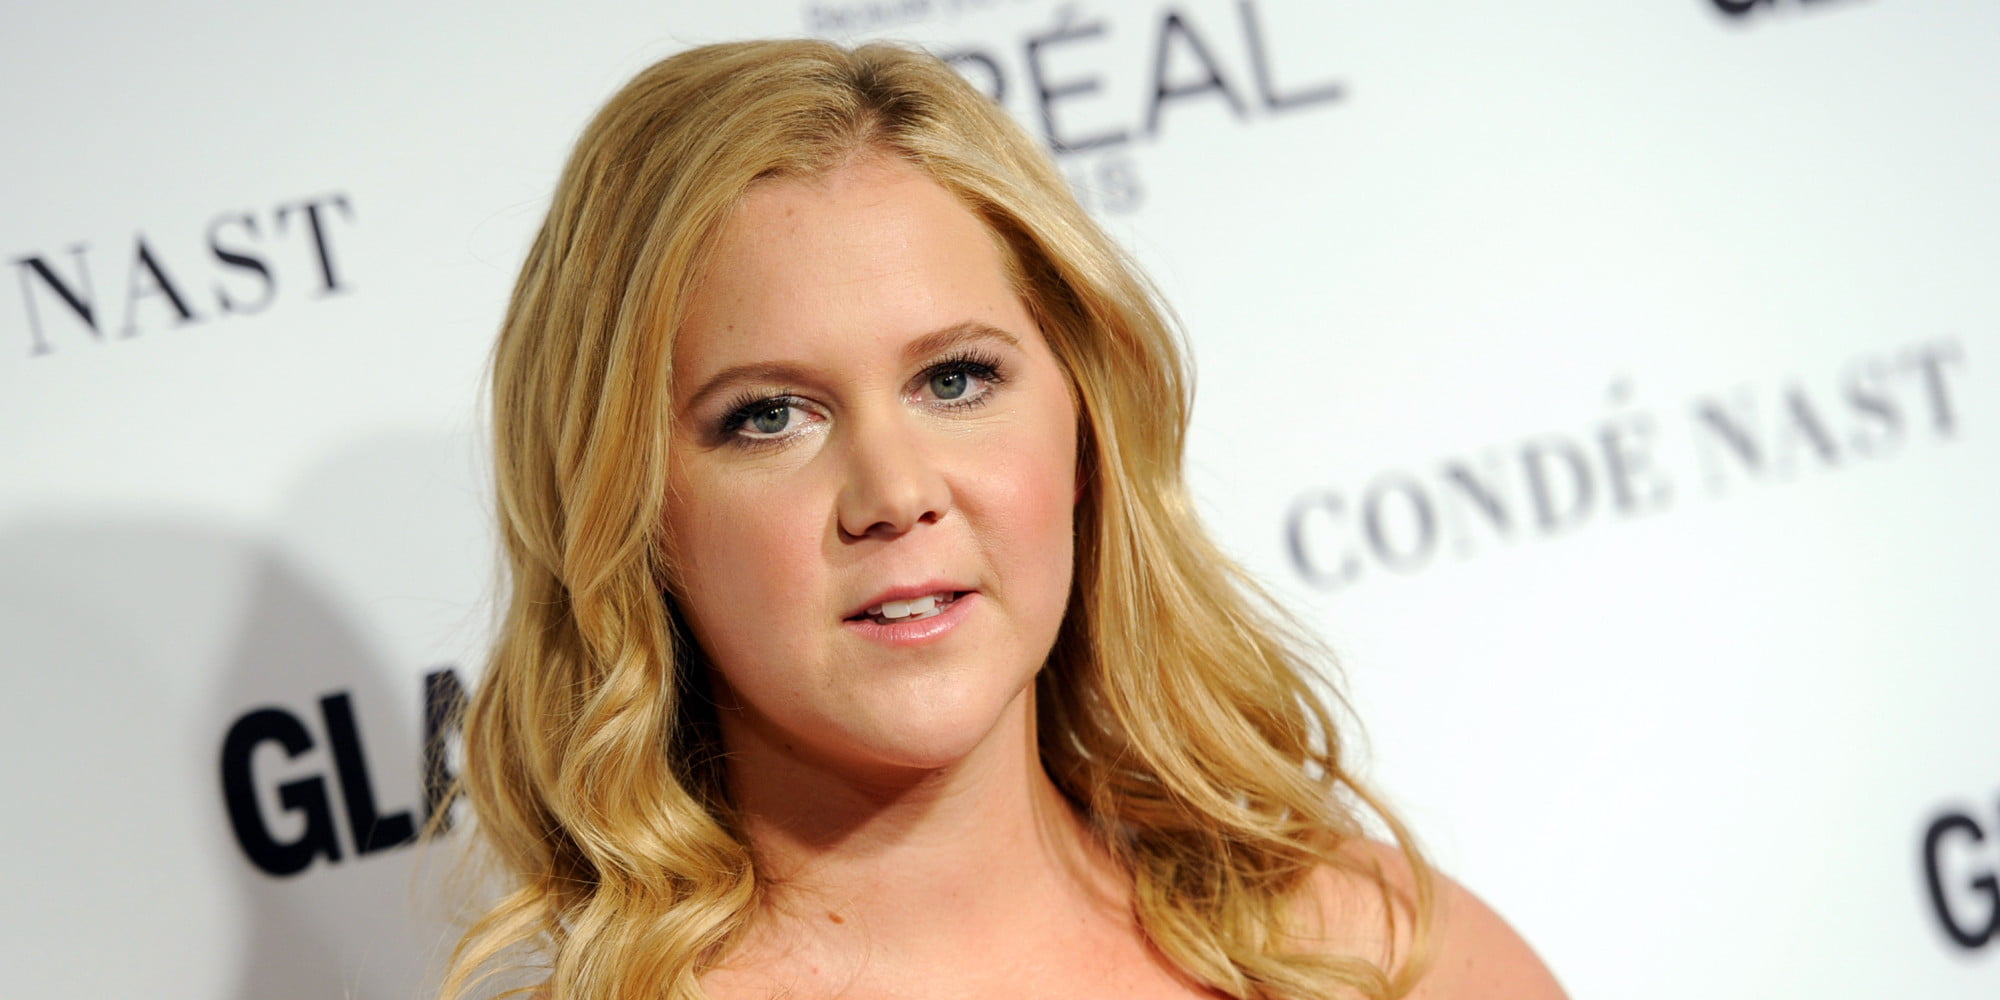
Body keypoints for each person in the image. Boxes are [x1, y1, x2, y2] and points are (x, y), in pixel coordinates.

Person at [441, 39, 1566, 1000]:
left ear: (1082, 430)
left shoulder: (1381, 953)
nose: (895, 493)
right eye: (769, 415)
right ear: (633, 515)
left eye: (957, 380)